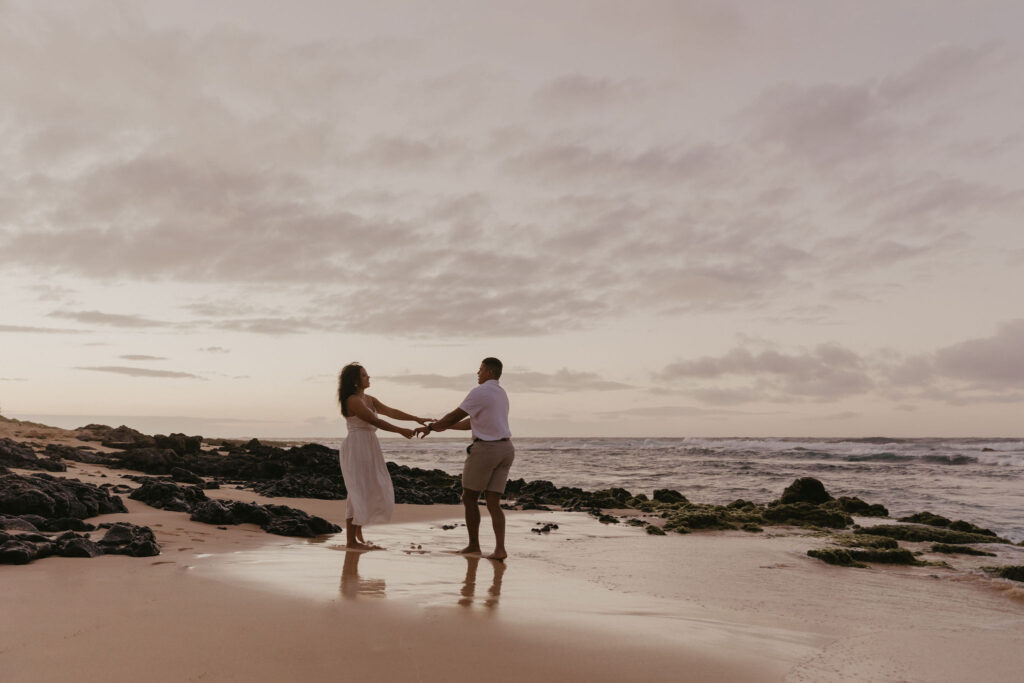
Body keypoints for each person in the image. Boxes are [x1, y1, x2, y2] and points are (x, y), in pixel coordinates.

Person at [415, 357, 513, 560]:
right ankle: (500, 549)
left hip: (487, 449)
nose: (477, 373)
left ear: (489, 372)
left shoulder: (481, 391)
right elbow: (472, 422)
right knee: (493, 501)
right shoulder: (500, 393)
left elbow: (455, 415)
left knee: (469, 497)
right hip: (506, 449)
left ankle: (473, 546)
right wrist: (444, 426)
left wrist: (432, 427)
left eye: (480, 369)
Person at [337, 362, 432, 550]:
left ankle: (358, 528)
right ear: (355, 381)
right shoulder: (352, 400)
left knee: (371, 485)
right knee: (357, 490)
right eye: (364, 375)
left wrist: (416, 418)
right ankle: (350, 541)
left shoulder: (369, 399)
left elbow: (391, 412)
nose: (368, 377)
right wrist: (401, 431)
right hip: (357, 446)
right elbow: (374, 420)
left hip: (370, 445)